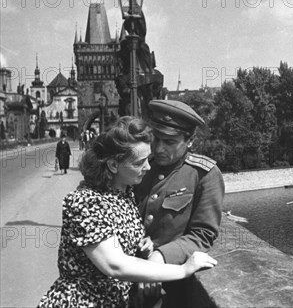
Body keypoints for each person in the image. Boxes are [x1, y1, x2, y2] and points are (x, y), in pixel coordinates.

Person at [38, 117, 217, 308]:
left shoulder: (124, 193)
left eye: (148, 160)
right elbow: (114, 265)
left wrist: (142, 245)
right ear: (114, 165)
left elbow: (118, 239)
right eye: (140, 162)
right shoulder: (85, 202)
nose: (148, 167)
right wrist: (183, 270)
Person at [134, 100, 225, 308]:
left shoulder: (204, 175)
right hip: (129, 276)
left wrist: (159, 258)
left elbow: (202, 234)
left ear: (190, 141)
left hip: (171, 291)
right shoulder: (141, 167)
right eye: (156, 139)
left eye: (169, 142)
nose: (159, 148)